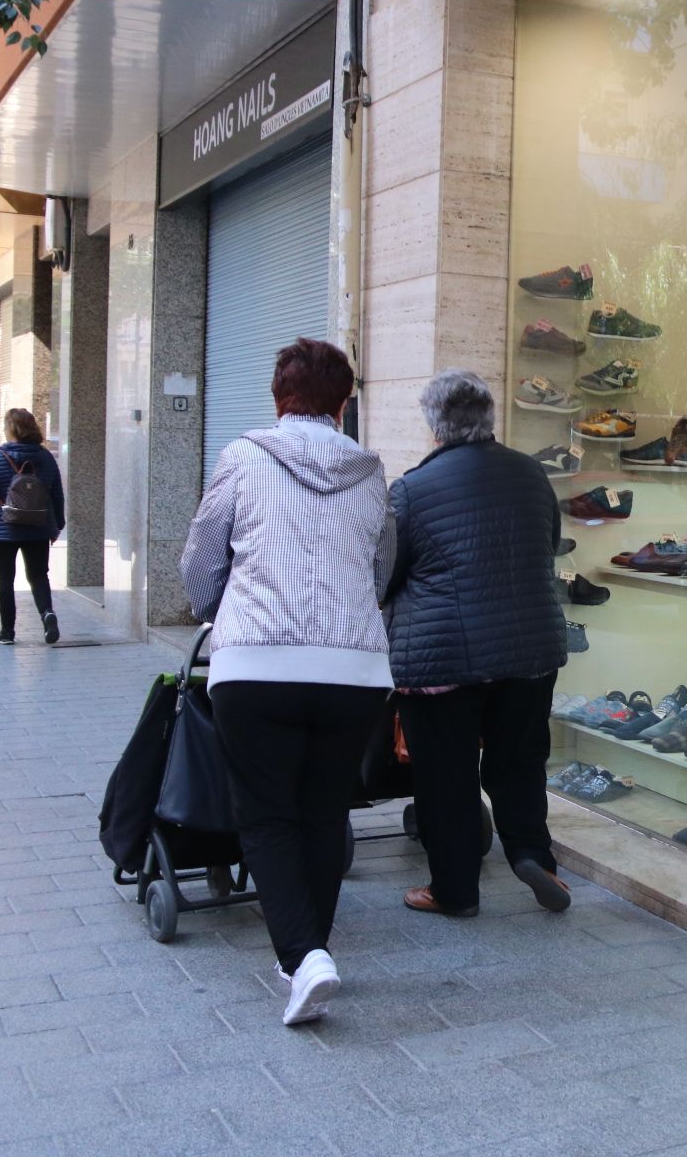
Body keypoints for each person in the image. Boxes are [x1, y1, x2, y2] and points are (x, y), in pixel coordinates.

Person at [179, 337, 393, 1028]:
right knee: (323, 811)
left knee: (267, 814)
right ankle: (308, 952)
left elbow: (201, 559)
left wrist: (223, 614)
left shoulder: (243, 456)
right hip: (354, 669)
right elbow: (381, 566)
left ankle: (304, 957)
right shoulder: (370, 470)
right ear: (343, 401)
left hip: (258, 667)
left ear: (279, 397)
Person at [386, 370, 571, 918]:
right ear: (489, 418)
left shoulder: (413, 488)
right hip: (530, 647)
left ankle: (455, 889)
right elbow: (550, 542)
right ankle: (534, 856)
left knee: (447, 775)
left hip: (443, 656)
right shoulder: (532, 473)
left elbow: (387, 573)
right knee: (519, 761)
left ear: (434, 426)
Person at [0, 408, 65, 646]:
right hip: (38, 526)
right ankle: (47, 613)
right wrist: (57, 524)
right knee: (38, 575)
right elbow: (56, 493)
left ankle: (7, 631)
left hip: (4, 528)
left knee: (4, 579)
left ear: (10, 429)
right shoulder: (45, 457)